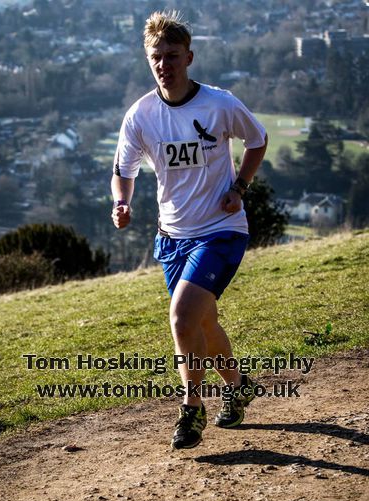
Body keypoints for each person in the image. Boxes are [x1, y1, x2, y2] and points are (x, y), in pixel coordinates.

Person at [111, 11, 268, 450]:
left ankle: (191, 407)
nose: (164, 65)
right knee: (202, 322)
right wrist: (121, 201)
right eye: (156, 57)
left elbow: (257, 140)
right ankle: (238, 388)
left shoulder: (219, 104)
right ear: (149, 60)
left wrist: (239, 186)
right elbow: (122, 170)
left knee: (182, 315)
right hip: (172, 236)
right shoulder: (140, 115)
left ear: (189, 57)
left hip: (221, 230)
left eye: (173, 56)